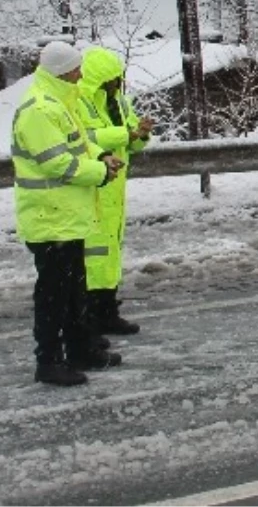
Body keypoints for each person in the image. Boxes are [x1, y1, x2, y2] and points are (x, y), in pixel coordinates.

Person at [13, 41, 125, 386]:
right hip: (50, 221)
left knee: (75, 291)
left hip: (67, 217)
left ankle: (80, 349)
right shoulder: (40, 109)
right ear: (63, 71)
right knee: (53, 298)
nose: (81, 73)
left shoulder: (61, 101)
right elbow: (57, 163)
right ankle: (48, 361)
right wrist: (99, 172)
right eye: (76, 68)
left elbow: (80, 145)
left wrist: (102, 155)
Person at [77, 46, 154, 336]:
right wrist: (126, 134)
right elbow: (86, 138)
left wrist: (141, 134)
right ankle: (89, 315)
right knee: (92, 255)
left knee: (110, 252)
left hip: (114, 186)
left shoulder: (119, 102)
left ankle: (107, 310)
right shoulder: (80, 102)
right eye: (112, 79)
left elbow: (130, 138)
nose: (118, 83)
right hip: (93, 186)